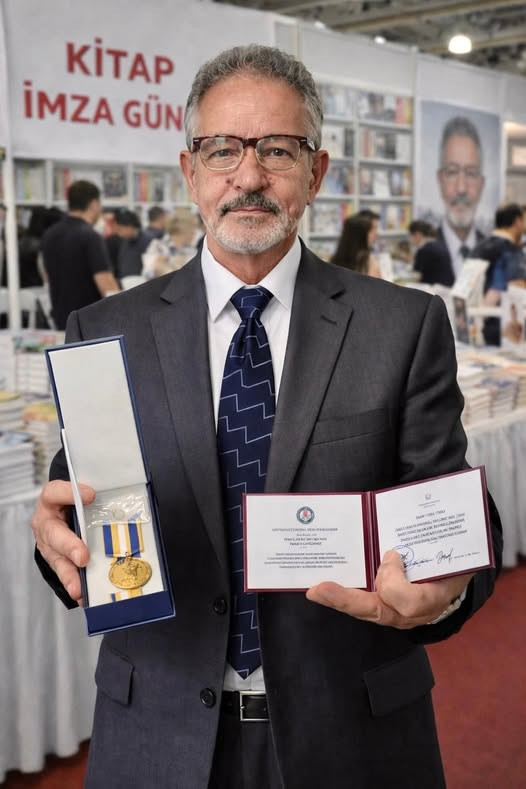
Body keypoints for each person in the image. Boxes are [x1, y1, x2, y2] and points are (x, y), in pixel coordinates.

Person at [31, 44, 502, 789]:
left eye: (277, 150)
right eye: (222, 149)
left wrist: (446, 587)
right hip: (158, 733)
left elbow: (453, 508)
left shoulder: (402, 326)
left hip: (352, 737)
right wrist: (55, 539)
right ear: (190, 171)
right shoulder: (105, 331)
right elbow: (81, 506)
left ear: (316, 173)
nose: (248, 176)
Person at [41, 181, 120, 330]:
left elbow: (46, 276)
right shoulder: (91, 236)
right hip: (90, 323)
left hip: (61, 321)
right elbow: (106, 285)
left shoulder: (49, 235)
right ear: (94, 204)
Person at [435, 116, 486, 283]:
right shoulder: (427, 251)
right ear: (440, 180)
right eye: (452, 172)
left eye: (470, 173)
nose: (461, 188)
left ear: (482, 184)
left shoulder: (491, 252)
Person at [141, 208, 198, 278]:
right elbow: (146, 274)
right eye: (192, 230)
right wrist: (156, 267)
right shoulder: (158, 246)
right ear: (182, 229)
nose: (194, 234)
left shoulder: (192, 250)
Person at [409, 218, 454, 286]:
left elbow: (416, 276)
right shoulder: (441, 245)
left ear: (418, 235)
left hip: (433, 288)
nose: (410, 239)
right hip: (447, 287)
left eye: (410, 235)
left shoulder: (424, 250)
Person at [113, 208, 149, 280]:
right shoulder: (124, 242)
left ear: (129, 226)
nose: (119, 234)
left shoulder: (147, 242)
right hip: (125, 283)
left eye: (120, 229)